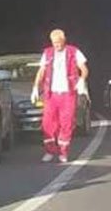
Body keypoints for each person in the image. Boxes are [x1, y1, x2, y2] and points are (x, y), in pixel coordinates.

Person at [31, 29, 89, 164]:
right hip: (51, 94)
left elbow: (84, 69)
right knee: (47, 122)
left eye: (58, 42)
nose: (56, 45)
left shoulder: (74, 52)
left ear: (64, 41)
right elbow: (41, 71)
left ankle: (63, 152)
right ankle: (50, 150)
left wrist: (81, 80)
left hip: (68, 94)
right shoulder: (47, 53)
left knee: (66, 123)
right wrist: (35, 87)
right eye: (54, 43)